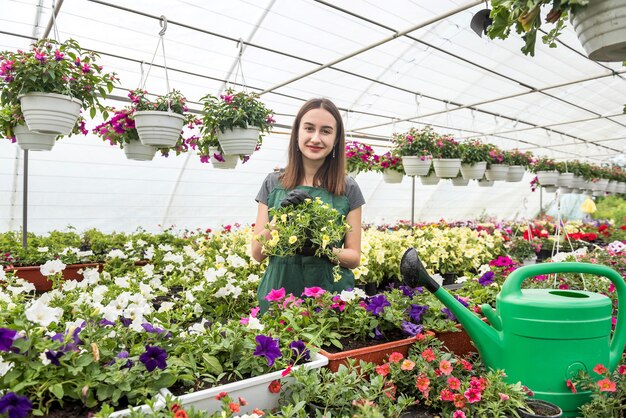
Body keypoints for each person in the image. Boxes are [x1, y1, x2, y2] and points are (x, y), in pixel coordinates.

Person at [252, 98, 365, 312]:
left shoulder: (347, 187)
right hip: (279, 296)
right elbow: (258, 253)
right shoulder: (273, 184)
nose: (315, 138)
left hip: (329, 299)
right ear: (297, 133)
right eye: (309, 128)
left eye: (325, 131)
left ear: (336, 139)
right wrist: (280, 218)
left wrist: (322, 250)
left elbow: (354, 257)